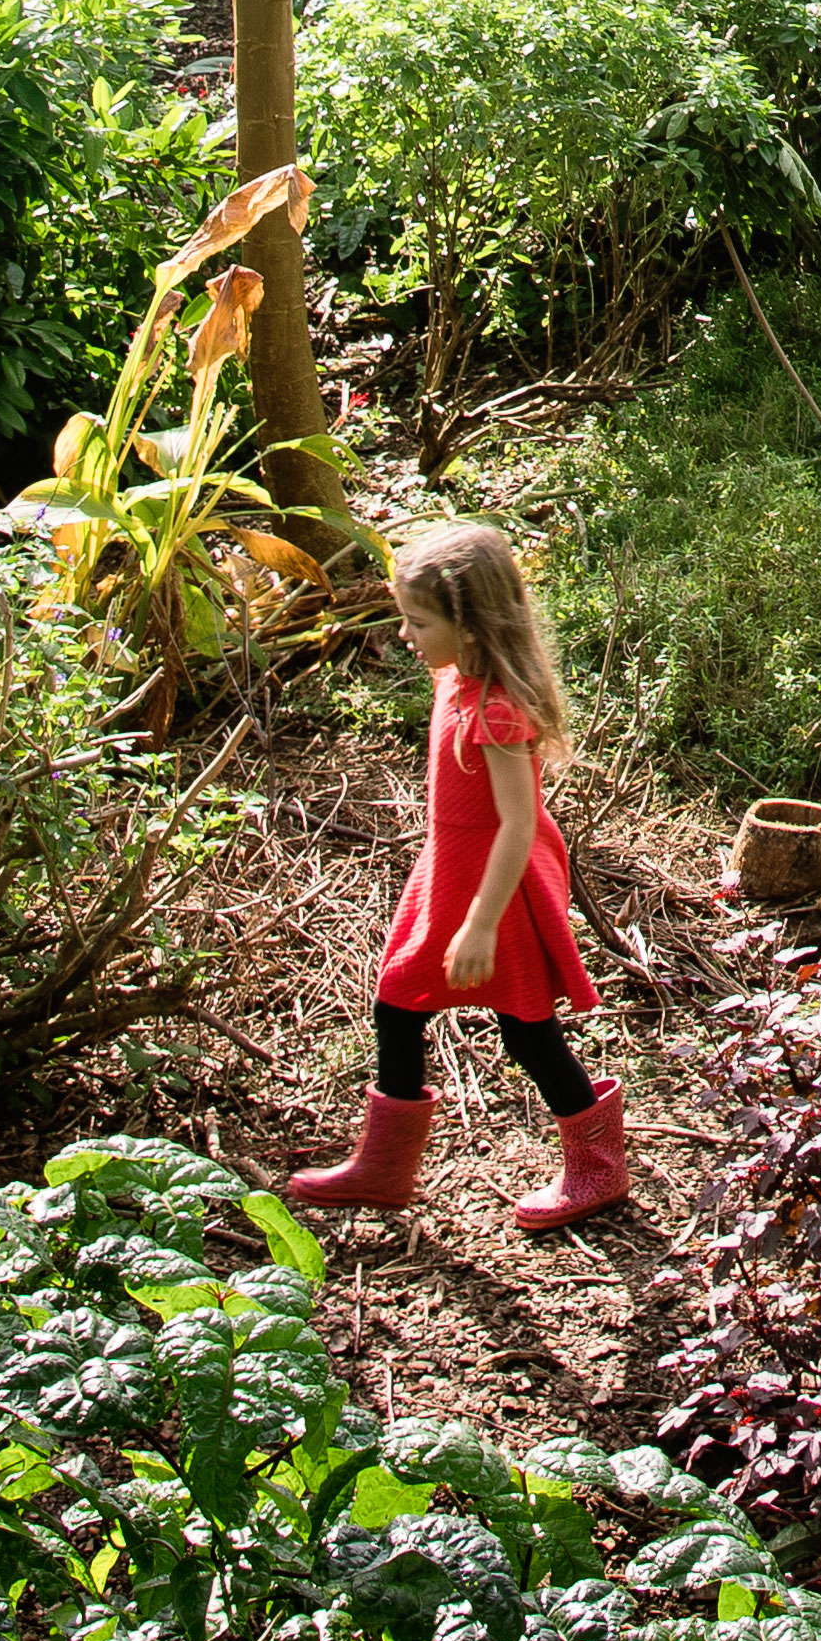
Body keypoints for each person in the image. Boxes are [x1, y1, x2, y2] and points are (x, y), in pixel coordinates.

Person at [288, 516, 630, 1234]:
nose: (406, 635)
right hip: (451, 868)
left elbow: (517, 821)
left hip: (496, 887)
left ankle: (598, 1169)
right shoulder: (455, 676)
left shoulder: (498, 709)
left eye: (417, 621)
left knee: (527, 1031)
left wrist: (479, 922)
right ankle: (384, 1170)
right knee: (399, 998)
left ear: (469, 626)